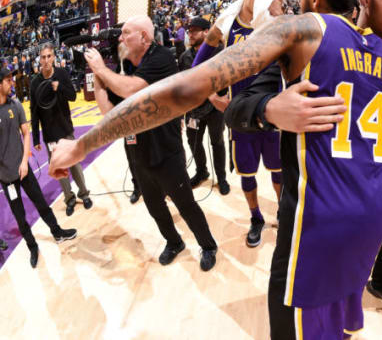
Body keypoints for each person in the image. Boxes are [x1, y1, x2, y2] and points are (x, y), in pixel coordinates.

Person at [49, 0, 382, 339]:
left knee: (293, 326)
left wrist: (83, 143)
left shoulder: (303, 28)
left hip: (321, 218)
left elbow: (187, 89)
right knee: (339, 323)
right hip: (376, 214)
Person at [224, 0, 382, 316]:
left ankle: (377, 281)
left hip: (345, 201)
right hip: (348, 202)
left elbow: (236, 106)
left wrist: (266, 108)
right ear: (361, 0)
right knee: (329, 313)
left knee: (317, 314)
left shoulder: (378, 51)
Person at [84, 16, 219, 271]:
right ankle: (174, 241)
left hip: (165, 149)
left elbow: (133, 90)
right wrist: (98, 76)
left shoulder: (162, 58)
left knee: (185, 204)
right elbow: (109, 112)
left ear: (144, 38)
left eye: (126, 33)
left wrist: (102, 70)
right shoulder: (125, 66)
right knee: (154, 206)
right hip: (139, 151)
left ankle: (208, 245)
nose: (120, 38)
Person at [194, 0, 291, 247]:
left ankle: (283, 213)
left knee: (278, 171)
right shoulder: (227, 22)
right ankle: (256, 217)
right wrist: (211, 95)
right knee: (247, 174)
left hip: (272, 112)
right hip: (240, 115)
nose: (266, 1)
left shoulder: (275, 23)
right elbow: (199, 63)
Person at [0, 67, 76, 268]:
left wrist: (25, 161)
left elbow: (25, 133)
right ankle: (32, 246)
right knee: (20, 217)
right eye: (8, 80)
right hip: (6, 178)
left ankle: (57, 232)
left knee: (41, 203)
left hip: (24, 170)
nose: (12, 83)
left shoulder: (15, 105)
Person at [30, 42, 92, 216]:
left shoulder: (62, 74)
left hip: (65, 129)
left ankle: (84, 194)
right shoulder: (35, 83)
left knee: (74, 164)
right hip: (49, 133)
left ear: (54, 57)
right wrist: (36, 138)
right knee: (59, 168)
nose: (46, 60)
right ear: (39, 60)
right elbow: (34, 112)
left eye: (49, 56)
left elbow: (72, 96)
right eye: (43, 57)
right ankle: (69, 198)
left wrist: (60, 88)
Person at [179, 16, 230, 195]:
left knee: (217, 142)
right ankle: (202, 171)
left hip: (216, 108)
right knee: (194, 142)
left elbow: (223, 79)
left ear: (207, 32)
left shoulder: (220, 52)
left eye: (194, 31)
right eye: (189, 31)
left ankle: (221, 177)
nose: (190, 34)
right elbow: (184, 85)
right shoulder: (185, 57)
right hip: (194, 110)